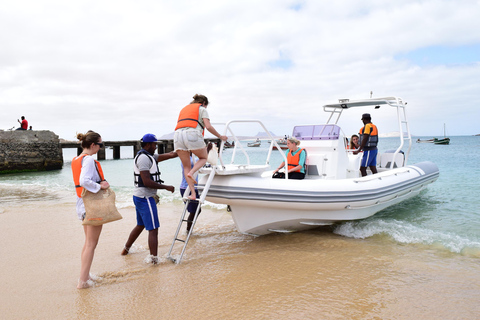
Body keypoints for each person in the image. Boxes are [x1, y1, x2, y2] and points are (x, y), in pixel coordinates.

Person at [121, 134, 177, 264]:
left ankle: (125, 250)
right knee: (153, 229)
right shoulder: (143, 159)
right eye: (154, 144)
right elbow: (146, 181)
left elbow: (169, 155)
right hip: (145, 197)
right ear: (147, 145)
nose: (156, 146)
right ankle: (154, 260)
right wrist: (166, 187)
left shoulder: (150, 156)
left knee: (140, 225)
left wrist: (183, 151)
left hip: (139, 196)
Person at [71, 130, 110, 289]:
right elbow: (84, 180)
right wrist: (100, 186)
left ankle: (85, 276)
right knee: (91, 244)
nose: (100, 148)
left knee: (88, 243)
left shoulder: (77, 159)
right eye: (100, 145)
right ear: (93, 145)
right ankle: (82, 282)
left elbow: (80, 182)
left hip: (81, 204)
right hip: (91, 205)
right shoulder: (88, 160)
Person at [174, 94, 228, 200]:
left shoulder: (184, 109)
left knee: (186, 166)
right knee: (203, 158)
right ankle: (192, 172)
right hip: (192, 133)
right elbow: (208, 126)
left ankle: (192, 194)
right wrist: (220, 136)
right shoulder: (202, 108)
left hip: (177, 135)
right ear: (204, 103)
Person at [180, 152, 201, 233]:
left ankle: (189, 230)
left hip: (190, 188)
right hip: (187, 188)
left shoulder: (190, 158)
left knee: (196, 210)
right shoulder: (187, 159)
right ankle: (188, 231)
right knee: (194, 211)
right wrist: (207, 152)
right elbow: (198, 162)